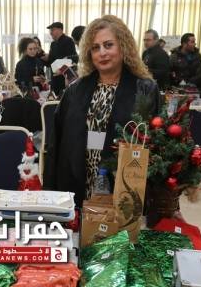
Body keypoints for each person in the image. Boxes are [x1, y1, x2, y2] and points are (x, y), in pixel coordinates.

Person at [44, 15, 159, 206]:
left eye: (108, 45)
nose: (102, 53)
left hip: (122, 187)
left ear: (123, 46)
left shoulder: (144, 89)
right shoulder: (75, 90)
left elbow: (157, 144)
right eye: (95, 48)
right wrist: (49, 191)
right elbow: (56, 142)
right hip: (76, 183)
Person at [42, 22, 77, 95]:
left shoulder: (68, 41)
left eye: (52, 30)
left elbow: (71, 60)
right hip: (55, 79)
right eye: (50, 30)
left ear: (60, 30)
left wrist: (61, 69)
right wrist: (45, 59)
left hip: (65, 78)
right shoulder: (53, 44)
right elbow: (50, 62)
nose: (50, 33)